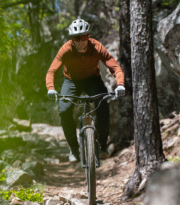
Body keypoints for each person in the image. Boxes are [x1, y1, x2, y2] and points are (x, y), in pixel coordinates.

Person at [45, 19, 125, 162]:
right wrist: (51, 88)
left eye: (84, 37)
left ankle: (102, 146)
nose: (81, 41)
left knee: (103, 105)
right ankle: (74, 149)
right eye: (77, 38)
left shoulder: (96, 47)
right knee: (64, 110)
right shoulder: (66, 50)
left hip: (93, 80)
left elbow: (115, 67)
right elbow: (52, 71)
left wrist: (120, 84)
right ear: (72, 40)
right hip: (71, 81)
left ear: (88, 36)